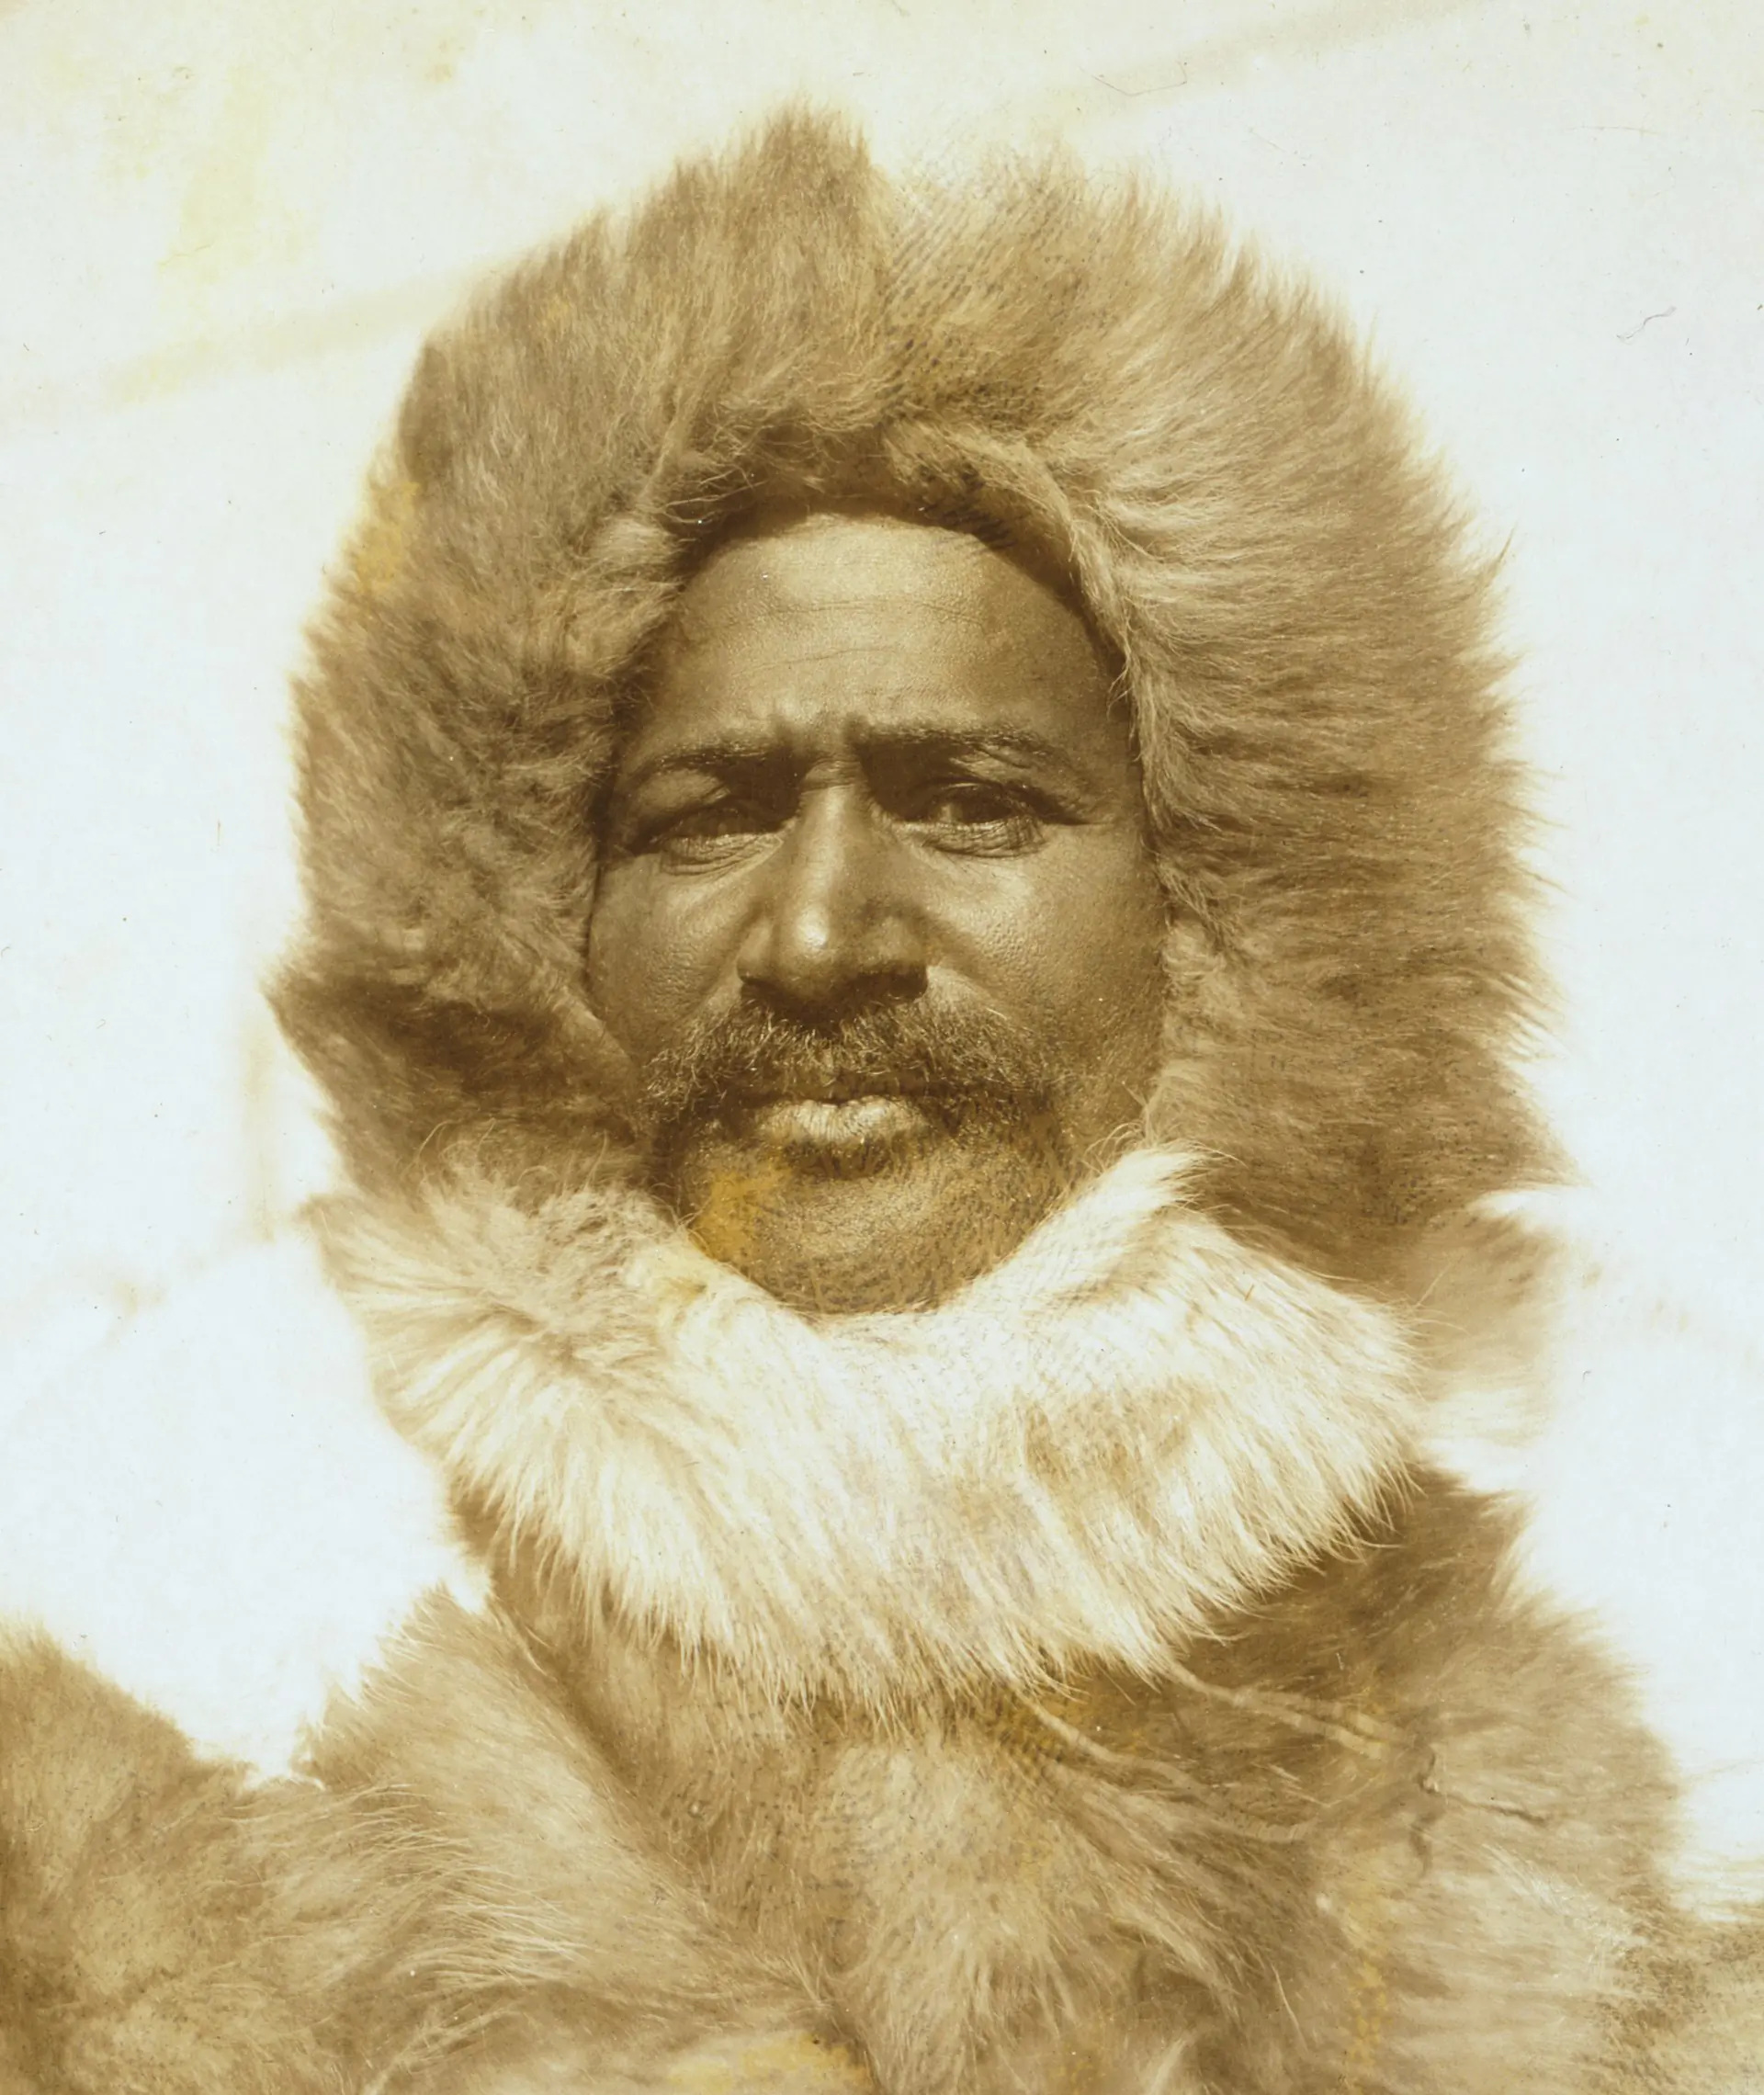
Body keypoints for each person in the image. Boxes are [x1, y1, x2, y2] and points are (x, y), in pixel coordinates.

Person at [3, 112, 1760, 2093]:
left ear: (1221, 908)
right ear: (536, 931)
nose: (825, 933)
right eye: (710, 815)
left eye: (971, 802)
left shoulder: (1672, 1614)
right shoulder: (200, 1610)